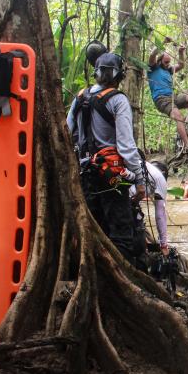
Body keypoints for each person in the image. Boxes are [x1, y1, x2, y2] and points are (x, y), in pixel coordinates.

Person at [67, 52, 145, 266]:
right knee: (121, 230)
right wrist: (139, 181)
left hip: (85, 174)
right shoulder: (118, 100)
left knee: (95, 228)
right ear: (119, 76)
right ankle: (124, 279)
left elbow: (67, 131)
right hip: (113, 176)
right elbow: (127, 147)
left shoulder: (80, 97)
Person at [147, 40, 188, 152]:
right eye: (166, 62)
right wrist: (163, 42)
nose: (168, 64)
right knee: (178, 116)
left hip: (173, 97)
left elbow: (181, 65)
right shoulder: (153, 68)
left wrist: (181, 52)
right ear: (160, 60)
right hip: (161, 99)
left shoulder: (169, 70)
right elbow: (153, 54)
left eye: (169, 62)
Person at [130, 160, 170, 274]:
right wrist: (164, 245)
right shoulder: (160, 179)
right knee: (137, 243)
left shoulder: (144, 165)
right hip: (125, 201)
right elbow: (160, 215)